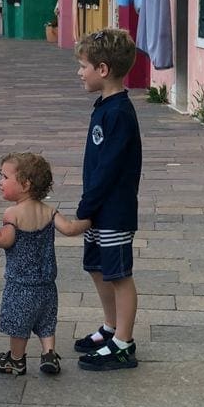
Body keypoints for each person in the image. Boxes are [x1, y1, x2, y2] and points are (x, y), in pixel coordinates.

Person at [0, 152, 90, 376]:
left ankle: (16, 359)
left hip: (20, 284)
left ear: (25, 184)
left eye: (4, 177)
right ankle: (49, 354)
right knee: (46, 321)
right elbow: (69, 229)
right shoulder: (49, 211)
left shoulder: (13, 213)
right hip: (47, 283)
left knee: (19, 324)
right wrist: (90, 220)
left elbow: (6, 240)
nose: (0, 182)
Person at [72, 28, 142, 371]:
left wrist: (86, 209)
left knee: (118, 274)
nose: (79, 72)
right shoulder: (104, 106)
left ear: (102, 69)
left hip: (112, 211)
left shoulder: (119, 114)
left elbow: (110, 168)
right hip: (99, 209)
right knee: (98, 268)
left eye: (83, 66)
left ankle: (123, 343)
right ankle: (111, 327)